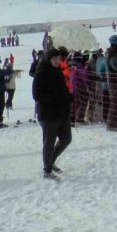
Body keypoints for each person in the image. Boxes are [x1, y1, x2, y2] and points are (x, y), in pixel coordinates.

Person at [33, 48, 74, 179]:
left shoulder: (58, 71)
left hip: (62, 112)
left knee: (66, 138)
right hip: (48, 114)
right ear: (48, 59)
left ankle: (52, 160)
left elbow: (61, 90)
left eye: (59, 58)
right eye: (55, 59)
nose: (58, 61)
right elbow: (37, 94)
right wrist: (54, 100)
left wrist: (68, 97)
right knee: (49, 142)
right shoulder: (41, 73)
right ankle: (47, 170)